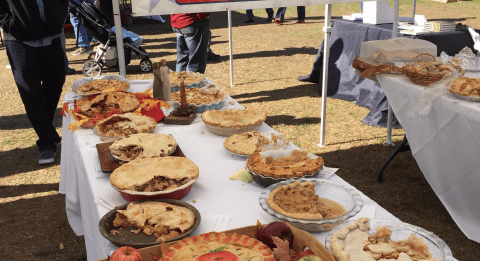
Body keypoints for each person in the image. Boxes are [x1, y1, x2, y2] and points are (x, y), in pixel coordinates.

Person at [1, 0, 68, 164]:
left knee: (55, 82)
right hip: (19, 39)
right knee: (30, 92)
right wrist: (9, 22)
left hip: (53, 34)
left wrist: (59, 16)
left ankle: (46, 131)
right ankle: (47, 142)